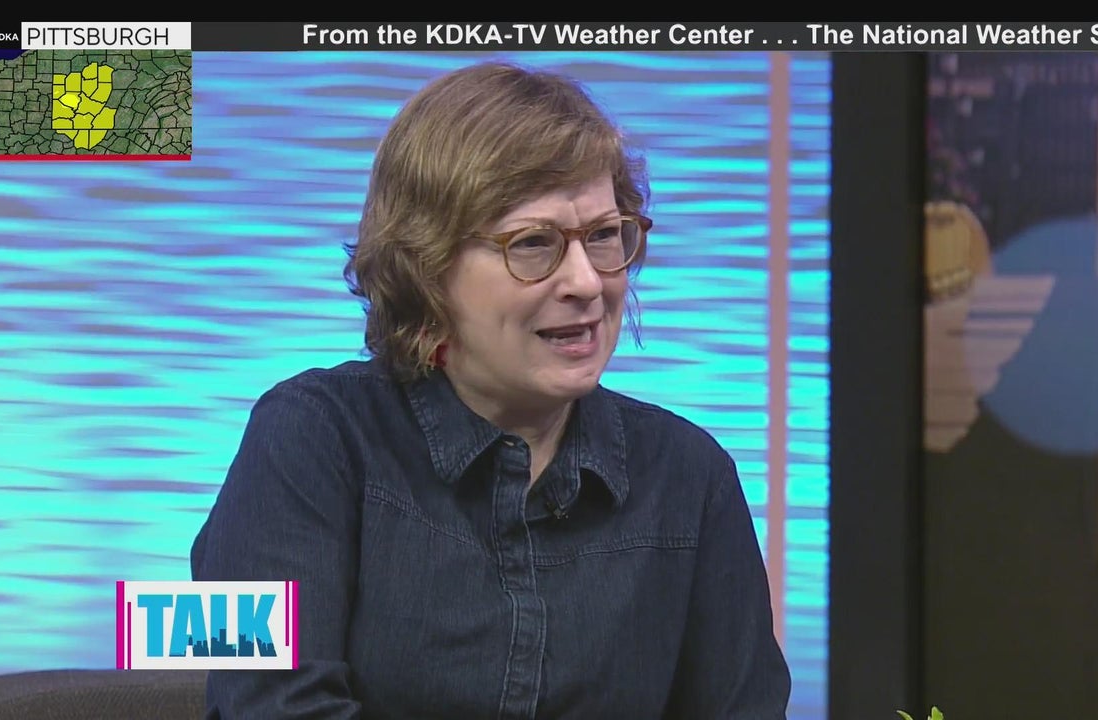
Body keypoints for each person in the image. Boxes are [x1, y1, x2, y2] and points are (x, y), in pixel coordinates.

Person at [190, 60, 791, 719]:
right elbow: (269, 706)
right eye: (533, 244)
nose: (587, 282)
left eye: (603, 236)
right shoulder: (304, 439)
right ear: (427, 268)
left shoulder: (691, 477)